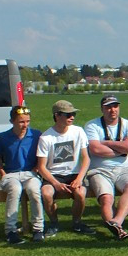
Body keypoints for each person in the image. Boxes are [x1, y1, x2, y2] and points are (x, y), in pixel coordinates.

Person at [84, 95, 128, 241]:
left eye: (115, 106)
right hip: (99, 170)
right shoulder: (92, 126)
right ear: (102, 109)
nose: (112, 110)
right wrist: (122, 148)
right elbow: (95, 150)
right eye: (108, 107)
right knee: (107, 198)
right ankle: (116, 230)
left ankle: (117, 222)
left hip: (125, 168)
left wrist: (107, 143)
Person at [36, 99, 93, 237]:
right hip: (53, 175)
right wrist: (55, 183)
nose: (72, 117)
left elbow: (86, 158)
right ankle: (54, 223)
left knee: (80, 194)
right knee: (46, 193)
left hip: (74, 174)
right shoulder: (46, 137)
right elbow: (41, 167)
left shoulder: (78, 131)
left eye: (73, 114)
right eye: (68, 115)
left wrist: (79, 179)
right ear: (57, 115)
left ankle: (77, 222)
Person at [0, 105, 44, 245]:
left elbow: (42, 156)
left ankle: (38, 229)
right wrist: (2, 173)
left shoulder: (36, 135)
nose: (25, 125)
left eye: (27, 121)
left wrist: (36, 169)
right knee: (15, 190)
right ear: (12, 121)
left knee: (34, 190)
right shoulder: (2, 137)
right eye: (21, 121)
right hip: (11, 174)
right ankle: (11, 230)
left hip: (30, 173)